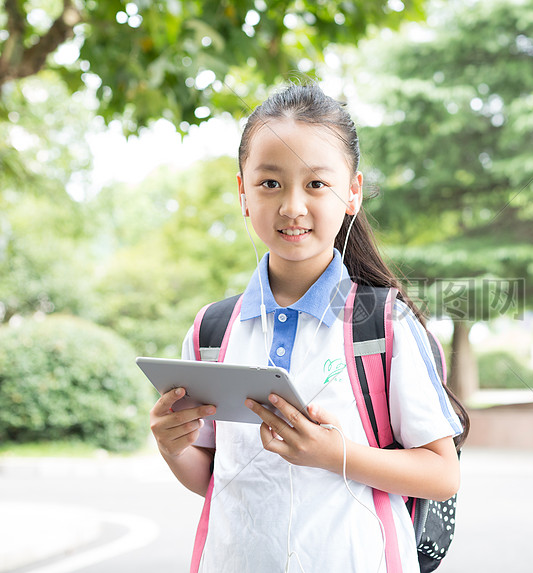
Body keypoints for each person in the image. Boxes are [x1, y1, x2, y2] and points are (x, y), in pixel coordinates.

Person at [149, 84, 467, 573]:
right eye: (270, 183)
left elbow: (442, 473)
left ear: (352, 193)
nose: (292, 206)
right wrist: (173, 446)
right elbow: (214, 476)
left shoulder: (381, 324)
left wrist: (333, 454)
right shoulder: (213, 329)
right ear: (243, 193)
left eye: (316, 184)